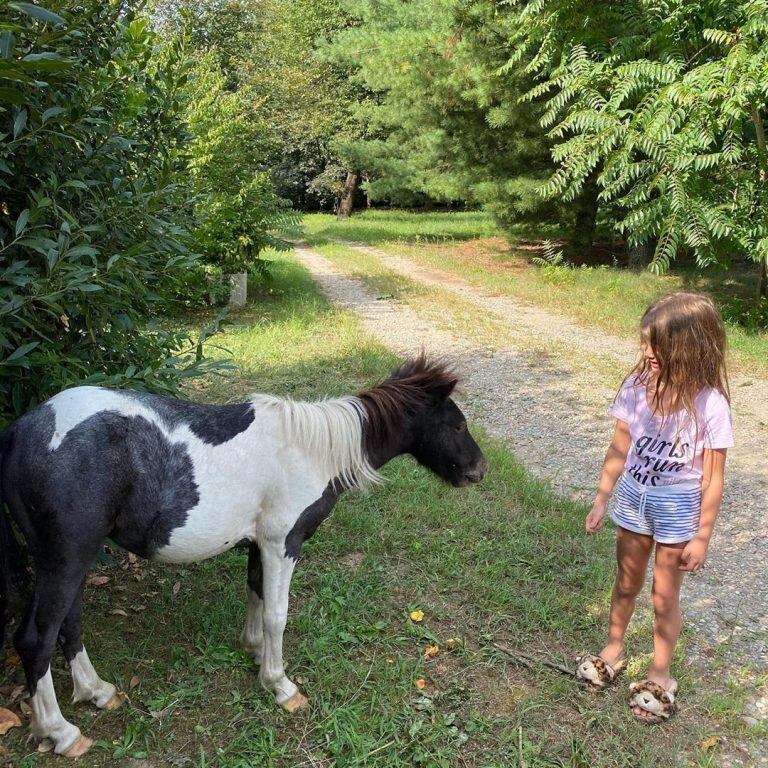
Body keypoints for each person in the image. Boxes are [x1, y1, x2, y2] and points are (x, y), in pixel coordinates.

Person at [576, 291, 734, 722]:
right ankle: (614, 648)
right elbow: (619, 445)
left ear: (688, 347)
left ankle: (661, 673)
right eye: (645, 342)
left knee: (664, 596)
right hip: (632, 498)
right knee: (626, 581)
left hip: (677, 508)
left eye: (656, 345)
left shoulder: (710, 405)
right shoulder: (636, 387)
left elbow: (713, 477)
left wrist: (702, 536)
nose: (646, 353)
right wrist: (601, 498)